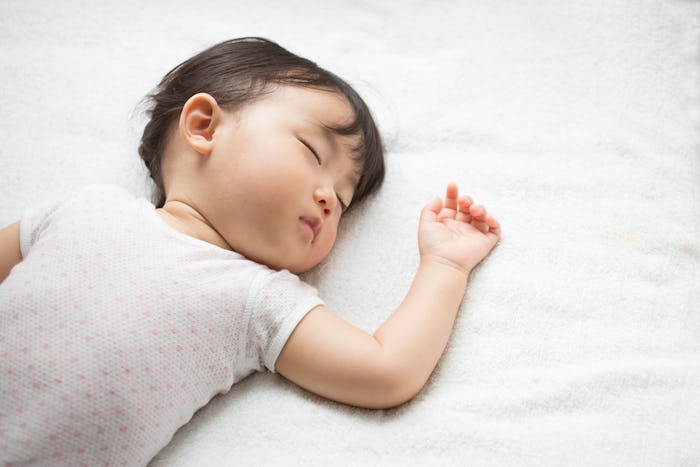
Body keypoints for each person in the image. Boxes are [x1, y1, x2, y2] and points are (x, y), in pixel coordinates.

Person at [0, 37, 500, 465]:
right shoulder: (88, 208)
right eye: (311, 152)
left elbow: (387, 370)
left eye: (343, 203)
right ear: (203, 126)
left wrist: (445, 265)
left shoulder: (256, 299)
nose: (329, 199)